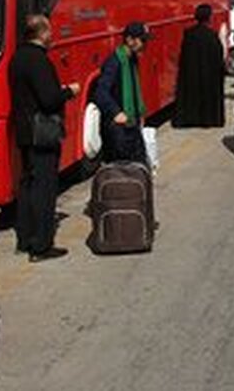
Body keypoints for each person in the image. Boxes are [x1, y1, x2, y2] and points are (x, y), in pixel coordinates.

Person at [9, 14, 79, 262]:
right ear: (42, 33)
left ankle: (25, 238)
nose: (52, 36)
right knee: (45, 187)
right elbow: (49, 99)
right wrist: (69, 91)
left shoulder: (17, 58)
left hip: (25, 132)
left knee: (27, 185)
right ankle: (41, 244)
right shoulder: (38, 60)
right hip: (42, 133)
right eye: (49, 31)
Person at [93, 22, 151, 166]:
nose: (144, 44)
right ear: (129, 40)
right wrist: (116, 112)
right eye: (141, 40)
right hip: (119, 130)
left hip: (132, 126)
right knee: (124, 171)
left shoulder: (132, 59)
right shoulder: (114, 62)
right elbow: (100, 92)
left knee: (139, 168)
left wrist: (139, 114)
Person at [172, 4, 226, 128]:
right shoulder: (212, 35)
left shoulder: (189, 34)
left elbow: (184, 55)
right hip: (208, 73)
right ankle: (208, 119)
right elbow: (218, 56)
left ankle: (191, 118)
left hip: (191, 73)